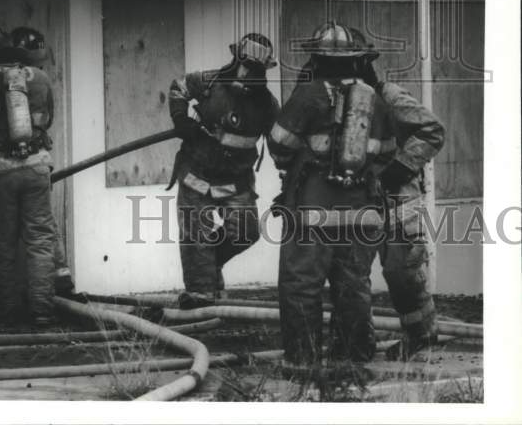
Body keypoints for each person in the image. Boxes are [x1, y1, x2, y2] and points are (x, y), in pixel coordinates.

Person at [268, 21, 445, 366]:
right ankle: (354, 357)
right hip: (364, 208)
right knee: (353, 283)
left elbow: (279, 146)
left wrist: (399, 169)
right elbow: (385, 152)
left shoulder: (328, 94)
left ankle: (305, 361)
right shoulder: (374, 101)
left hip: (344, 207)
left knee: (306, 283)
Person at [350, 28, 445, 358]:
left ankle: (421, 337)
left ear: (363, 63)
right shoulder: (335, 102)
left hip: (398, 200)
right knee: (351, 276)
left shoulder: (387, 96)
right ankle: (355, 342)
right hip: (356, 202)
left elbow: (432, 130)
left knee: (403, 274)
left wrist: (400, 167)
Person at [168, 32, 280, 309]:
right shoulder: (208, 81)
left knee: (246, 233)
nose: (247, 74)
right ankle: (200, 298)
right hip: (196, 176)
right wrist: (180, 118)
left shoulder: (267, 106)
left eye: (255, 70)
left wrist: (289, 183)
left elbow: (281, 146)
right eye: (244, 65)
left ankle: (209, 263)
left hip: (235, 181)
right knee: (196, 235)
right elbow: (179, 87)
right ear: (235, 60)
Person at [0, 26, 59, 326]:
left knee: (4, 244)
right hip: (37, 166)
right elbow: (48, 118)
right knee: (40, 240)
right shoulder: (41, 78)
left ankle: (8, 312)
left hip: (1, 169)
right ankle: (42, 311)